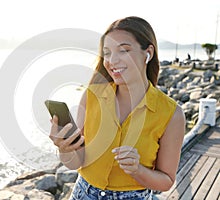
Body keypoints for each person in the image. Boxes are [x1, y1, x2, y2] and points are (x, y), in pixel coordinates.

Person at [49, 16, 185, 200]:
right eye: (107, 53)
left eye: (124, 50)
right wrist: (65, 149)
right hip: (83, 194)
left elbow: (166, 181)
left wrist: (137, 170)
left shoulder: (172, 114)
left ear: (148, 52)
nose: (112, 60)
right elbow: (76, 163)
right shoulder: (91, 96)